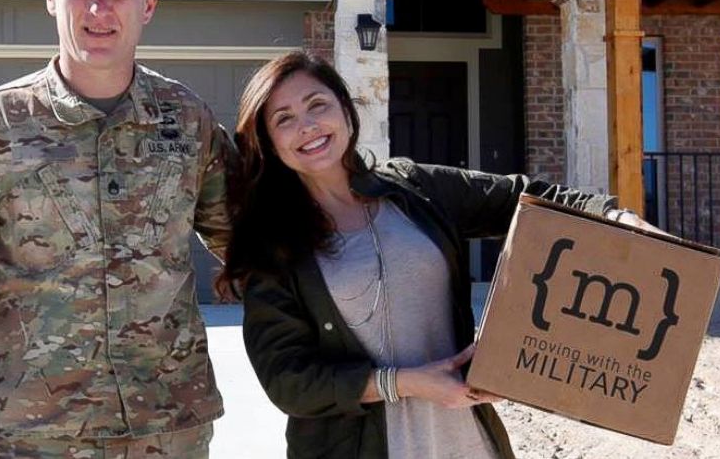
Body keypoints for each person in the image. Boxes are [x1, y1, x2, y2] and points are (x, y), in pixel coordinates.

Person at [0, 0, 233, 459]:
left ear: (147, 5)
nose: (99, 10)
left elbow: (250, 247)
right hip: (36, 433)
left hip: (169, 428)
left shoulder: (186, 120)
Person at [218, 52, 645, 459]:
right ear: (269, 143)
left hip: (463, 437)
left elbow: (522, 197)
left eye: (317, 105)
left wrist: (614, 216)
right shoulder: (272, 245)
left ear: (346, 110)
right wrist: (406, 383)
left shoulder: (413, 189)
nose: (308, 126)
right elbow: (288, 381)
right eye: (285, 119)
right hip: (353, 447)